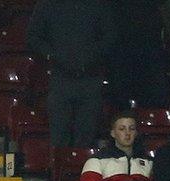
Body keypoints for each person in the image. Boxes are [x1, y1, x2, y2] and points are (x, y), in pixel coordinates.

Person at [26, 0, 113, 147]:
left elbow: (111, 37)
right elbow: (33, 36)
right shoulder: (48, 4)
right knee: (59, 135)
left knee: (87, 135)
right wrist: (53, 55)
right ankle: (60, 168)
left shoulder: (99, 4)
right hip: (60, 78)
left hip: (90, 78)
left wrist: (91, 56)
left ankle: (84, 170)